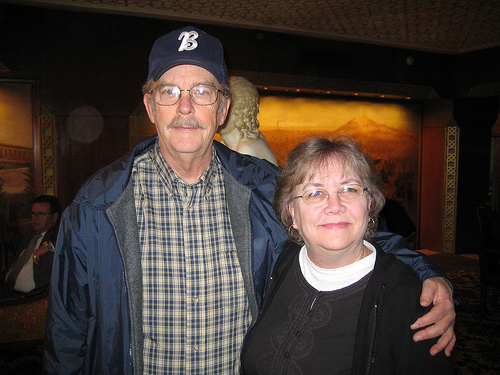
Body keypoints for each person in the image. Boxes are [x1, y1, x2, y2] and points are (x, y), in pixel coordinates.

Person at [44, 27, 454, 375]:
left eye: (202, 91)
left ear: (222, 108)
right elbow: (67, 333)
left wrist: (429, 273)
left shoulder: (263, 189)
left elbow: (347, 231)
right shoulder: (98, 206)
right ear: (151, 106)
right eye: (169, 90)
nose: (185, 107)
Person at [241, 136, 454, 374]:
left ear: (369, 202)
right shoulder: (280, 262)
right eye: (315, 193)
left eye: (349, 189)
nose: (334, 205)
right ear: (292, 212)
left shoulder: (409, 298)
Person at [0, 195, 60, 299]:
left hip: (32, 297)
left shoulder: (58, 234)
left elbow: (70, 240)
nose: (35, 218)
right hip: (7, 289)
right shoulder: (29, 237)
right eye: (33, 214)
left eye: (41, 214)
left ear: (54, 217)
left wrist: (47, 246)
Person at [218, 75, 279, 166]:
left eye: (225, 108)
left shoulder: (246, 148)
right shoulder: (224, 144)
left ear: (242, 112)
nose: (219, 113)